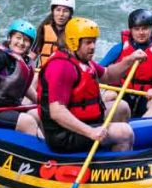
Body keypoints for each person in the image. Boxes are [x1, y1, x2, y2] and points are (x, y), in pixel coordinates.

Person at [37, 17, 146, 152]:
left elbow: (108, 75)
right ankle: (116, 165)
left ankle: (109, 151)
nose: (93, 47)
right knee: (124, 132)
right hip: (62, 135)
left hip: (83, 121)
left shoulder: (82, 60)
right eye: (88, 43)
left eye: (94, 42)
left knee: (122, 107)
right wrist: (90, 132)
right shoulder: (61, 67)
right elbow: (57, 112)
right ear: (73, 42)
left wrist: (129, 60)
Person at [99, 8, 152, 117]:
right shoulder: (119, 49)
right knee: (108, 95)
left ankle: (141, 128)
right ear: (131, 30)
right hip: (122, 91)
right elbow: (98, 70)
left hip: (147, 96)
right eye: (136, 29)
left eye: (145, 28)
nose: (141, 33)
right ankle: (97, 121)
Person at [32, 0, 75, 69]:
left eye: (65, 11)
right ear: (53, 11)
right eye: (58, 10)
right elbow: (33, 54)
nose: (61, 14)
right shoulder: (43, 29)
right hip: (43, 71)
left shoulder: (75, 31)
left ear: (70, 13)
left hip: (65, 72)